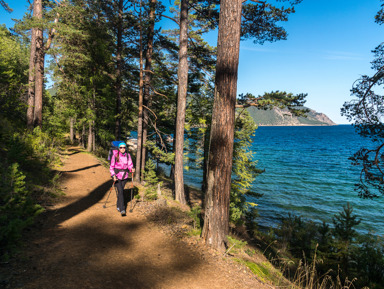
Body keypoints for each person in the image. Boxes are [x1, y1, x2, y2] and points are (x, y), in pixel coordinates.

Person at [109, 142, 135, 216]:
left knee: (121, 191)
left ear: (125, 148)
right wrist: (113, 175)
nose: (122, 149)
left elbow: (130, 165)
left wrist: (132, 169)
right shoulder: (115, 155)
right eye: (121, 147)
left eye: (124, 147)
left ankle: (118, 205)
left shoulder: (128, 156)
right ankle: (122, 209)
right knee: (120, 192)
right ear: (119, 148)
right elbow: (111, 167)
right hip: (116, 176)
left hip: (125, 176)